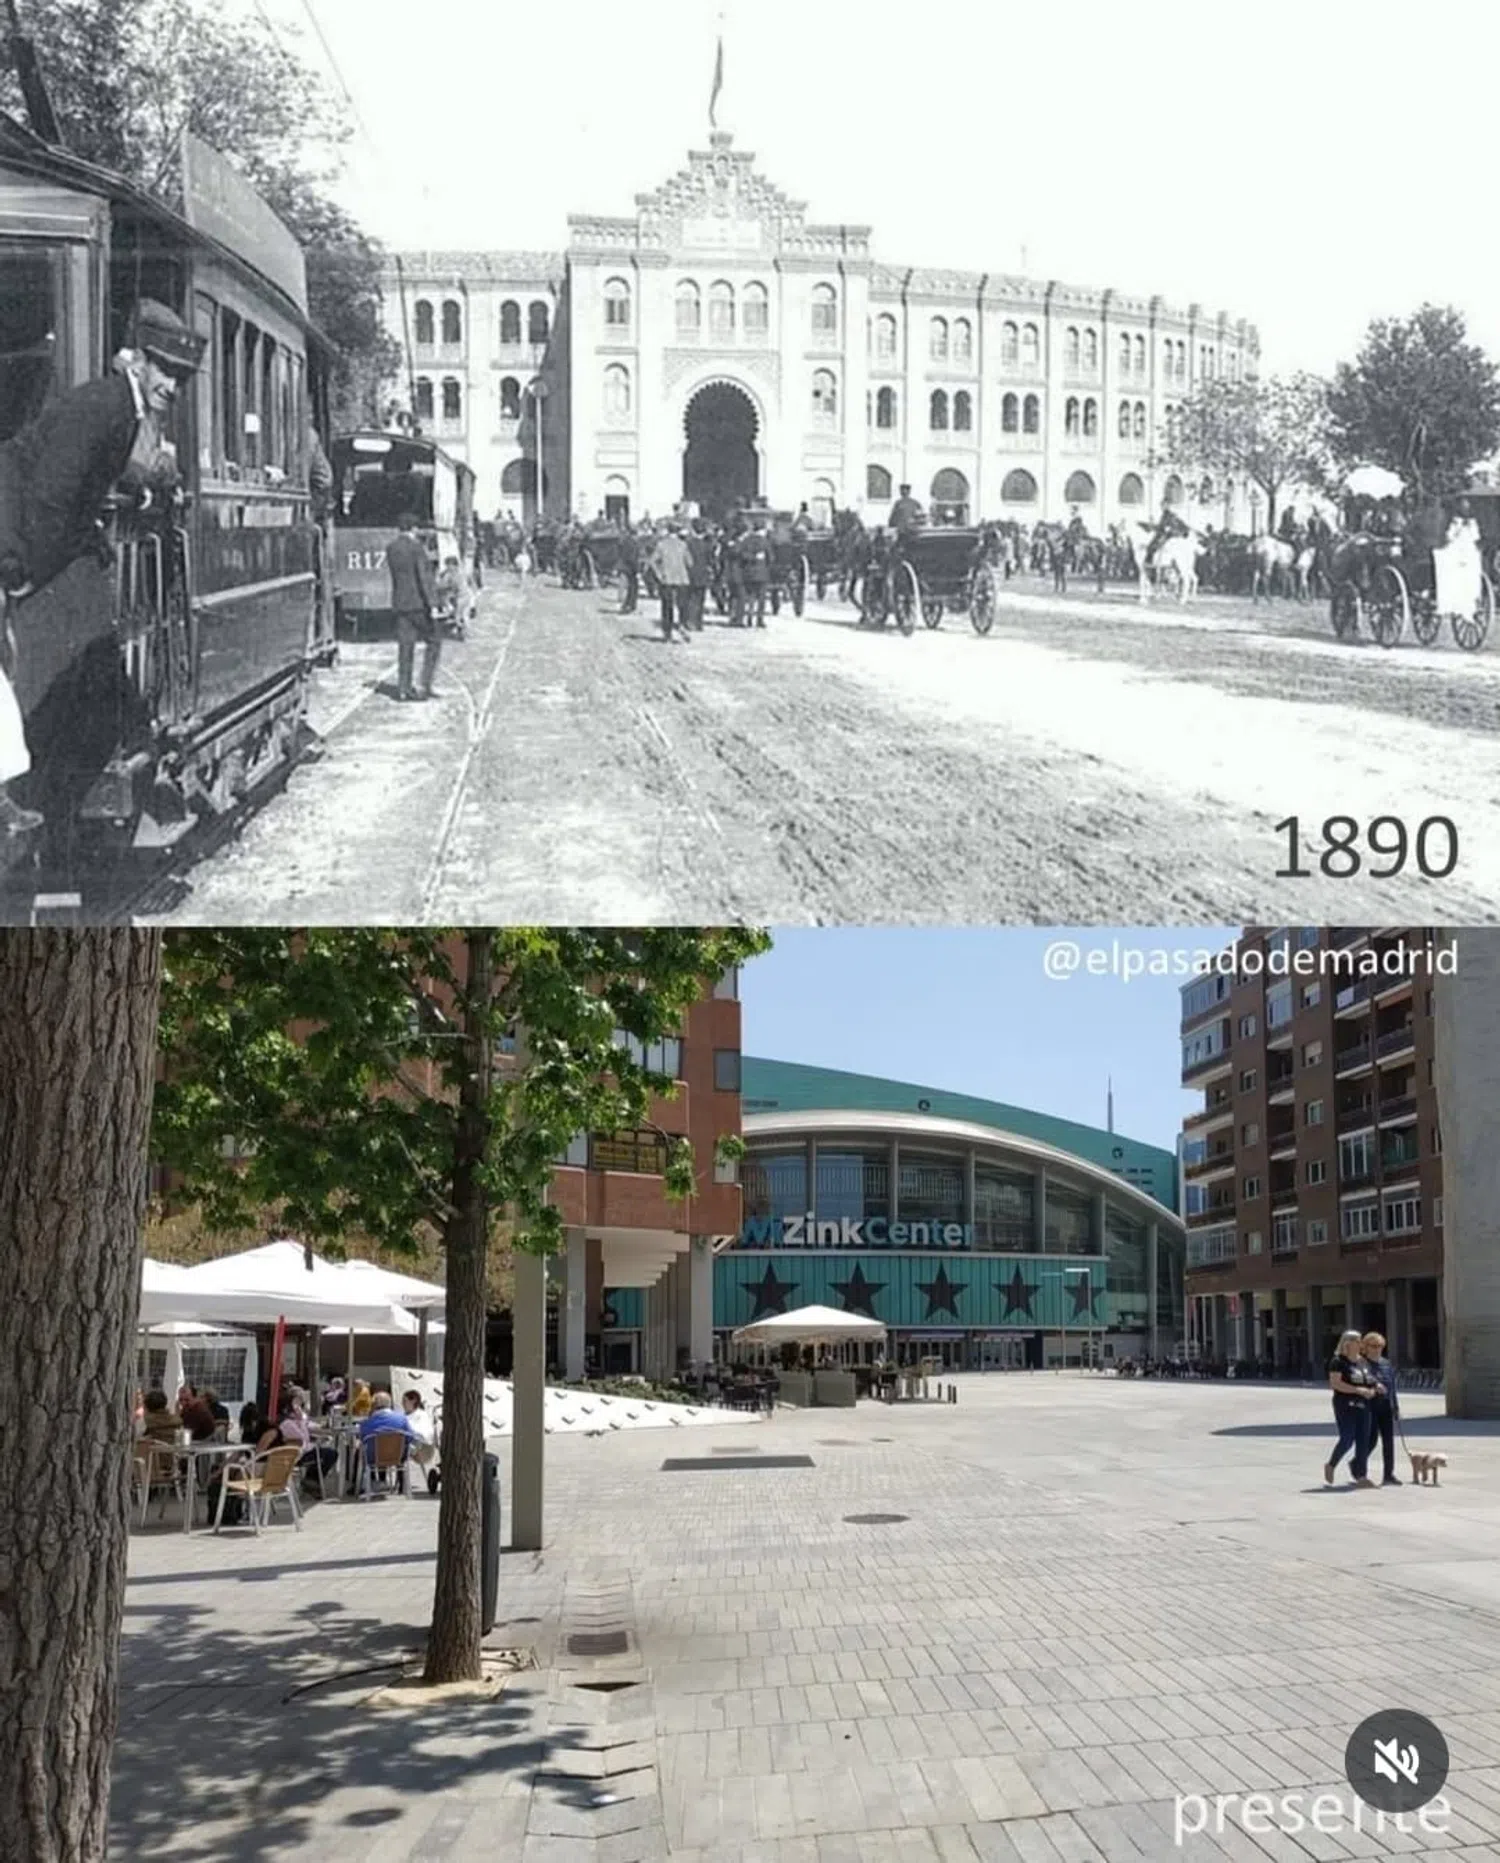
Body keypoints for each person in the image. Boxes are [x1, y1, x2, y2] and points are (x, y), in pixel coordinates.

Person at [386, 511, 439, 701]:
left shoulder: (391, 548)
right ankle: (425, 684)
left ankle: (403, 689)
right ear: (414, 529)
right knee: (434, 641)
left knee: (405, 647)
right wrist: (433, 604)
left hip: (400, 604)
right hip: (418, 605)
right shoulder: (416, 548)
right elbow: (423, 577)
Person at [1324, 1328, 1378, 1487]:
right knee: (1347, 1438)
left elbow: (1371, 1380)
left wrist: (1376, 1388)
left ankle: (1361, 1475)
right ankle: (1331, 1464)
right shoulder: (1338, 1361)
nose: (1361, 1344)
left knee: (1363, 1440)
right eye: (1358, 1341)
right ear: (1348, 1343)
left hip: (1364, 1404)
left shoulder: (1363, 1362)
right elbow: (1335, 1383)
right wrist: (1357, 1390)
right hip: (1345, 1404)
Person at [1361, 1331, 1401, 1486]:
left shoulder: (1386, 1364)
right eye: (1374, 1346)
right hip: (1370, 1406)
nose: (1377, 1349)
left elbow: (1392, 1387)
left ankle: (1388, 1474)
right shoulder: (1362, 1364)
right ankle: (1358, 1465)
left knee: (1388, 1441)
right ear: (1366, 1347)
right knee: (1371, 1440)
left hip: (1385, 1406)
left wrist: (1395, 1406)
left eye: (1380, 1346)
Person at [650, 521, 693, 642]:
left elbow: (652, 561)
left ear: (668, 531)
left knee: (667, 607)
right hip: (682, 579)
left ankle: (667, 632)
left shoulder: (661, 545)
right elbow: (690, 562)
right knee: (683, 605)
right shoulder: (683, 545)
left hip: (667, 579)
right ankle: (683, 625)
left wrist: (659, 575)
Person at [731, 516, 772, 628]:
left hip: (748, 573)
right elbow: (770, 558)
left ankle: (748, 617)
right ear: (763, 529)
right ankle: (759, 619)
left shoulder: (746, 540)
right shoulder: (765, 542)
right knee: (761, 598)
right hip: (762, 574)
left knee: (750, 596)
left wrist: (751, 558)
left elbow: (741, 555)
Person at [401, 1389, 439, 1491]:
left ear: (413, 1401)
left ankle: (401, 1485)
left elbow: (424, 1435)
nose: (402, 1404)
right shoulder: (404, 1416)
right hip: (410, 1444)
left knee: (400, 1449)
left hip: (423, 1448)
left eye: (404, 1401)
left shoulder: (421, 1415)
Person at [684, 519, 715, 630]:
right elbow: (711, 560)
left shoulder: (688, 543)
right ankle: (698, 622)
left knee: (690, 599)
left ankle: (689, 621)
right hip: (703, 574)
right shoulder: (707, 545)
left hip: (690, 573)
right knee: (700, 599)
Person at [618, 524, 640, 613]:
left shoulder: (625, 541)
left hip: (625, 567)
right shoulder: (632, 543)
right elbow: (632, 558)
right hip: (630, 568)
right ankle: (629, 606)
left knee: (630, 588)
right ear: (634, 534)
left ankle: (628, 605)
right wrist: (637, 570)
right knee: (633, 588)